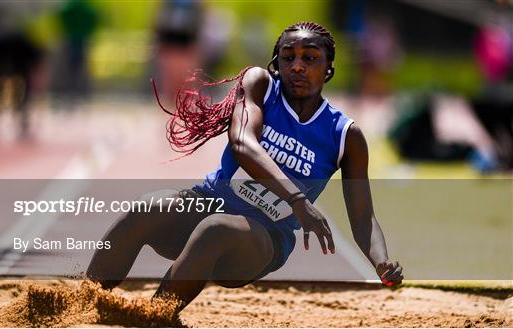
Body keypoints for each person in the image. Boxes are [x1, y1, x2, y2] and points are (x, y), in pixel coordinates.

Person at [87, 21, 403, 312]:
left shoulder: (345, 135)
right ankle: (84, 302)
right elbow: (242, 144)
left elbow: (363, 217)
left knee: (216, 229)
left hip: (262, 237)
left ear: (329, 69)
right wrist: (298, 200)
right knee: (147, 207)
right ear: (275, 63)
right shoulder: (260, 86)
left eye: (310, 58)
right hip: (208, 200)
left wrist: (381, 262)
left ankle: (153, 316)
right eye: (288, 57)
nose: (297, 66)